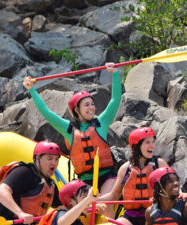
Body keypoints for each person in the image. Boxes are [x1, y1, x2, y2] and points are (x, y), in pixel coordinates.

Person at [23, 63, 121, 216]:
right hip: (85, 181)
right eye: (86, 105)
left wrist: (114, 74)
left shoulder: (101, 123)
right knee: (80, 214)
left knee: (105, 205)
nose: (91, 108)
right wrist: (32, 90)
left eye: (92, 104)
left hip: (108, 175)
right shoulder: (68, 129)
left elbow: (115, 100)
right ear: (76, 110)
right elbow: (46, 113)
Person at [102, 127, 169, 225]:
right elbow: (114, 195)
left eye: (153, 142)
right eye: (147, 142)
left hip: (155, 216)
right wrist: (93, 200)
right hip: (132, 217)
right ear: (137, 146)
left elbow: (173, 187)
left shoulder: (159, 164)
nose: (152, 146)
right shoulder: (125, 168)